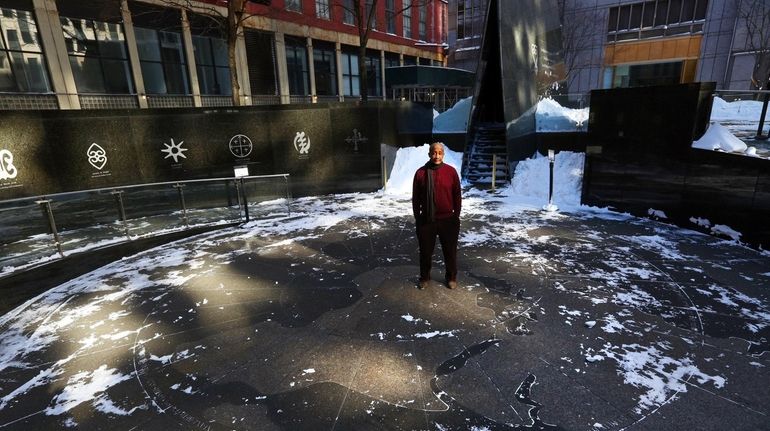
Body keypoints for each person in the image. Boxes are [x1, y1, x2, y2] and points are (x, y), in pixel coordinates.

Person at [412, 142, 462, 289]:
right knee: (425, 252)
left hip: (448, 220)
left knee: (450, 251)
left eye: (440, 153)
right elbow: (416, 198)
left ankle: (451, 277)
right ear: (429, 154)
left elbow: (457, 195)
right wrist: (418, 217)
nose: (437, 156)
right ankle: (425, 277)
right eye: (434, 152)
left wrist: (456, 216)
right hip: (427, 221)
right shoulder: (420, 173)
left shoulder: (451, 172)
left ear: (443, 155)